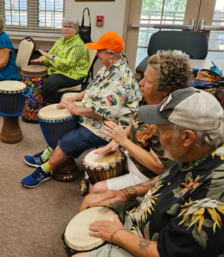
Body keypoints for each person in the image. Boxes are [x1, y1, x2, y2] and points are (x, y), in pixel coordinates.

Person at [73, 87, 224, 257]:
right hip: (147, 214)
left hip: (154, 245)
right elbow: (169, 178)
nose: (155, 131)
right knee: (90, 200)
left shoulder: (213, 197)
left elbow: (168, 253)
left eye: (162, 128)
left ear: (187, 137)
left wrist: (116, 234)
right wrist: (130, 191)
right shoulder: (200, 151)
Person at [21, 32, 142, 188]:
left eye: (99, 50)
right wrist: (73, 99)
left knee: (69, 140)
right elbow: (91, 89)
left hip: (112, 126)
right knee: (63, 126)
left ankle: (45, 170)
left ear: (111, 53)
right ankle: (47, 154)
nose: (96, 53)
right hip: (97, 116)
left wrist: (77, 111)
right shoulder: (107, 68)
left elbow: (105, 111)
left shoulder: (120, 78)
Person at [85, 51, 192, 196]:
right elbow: (137, 122)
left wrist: (124, 141)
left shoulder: (172, 123)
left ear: (166, 89)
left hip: (146, 175)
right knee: (91, 172)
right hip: (133, 157)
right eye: (143, 78)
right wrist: (119, 138)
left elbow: (160, 167)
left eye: (148, 81)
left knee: (97, 189)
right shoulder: (155, 101)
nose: (140, 83)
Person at [31, 16, 88, 104]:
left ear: (76, 29)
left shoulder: (78, 45)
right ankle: (39, 104)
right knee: (38, 78)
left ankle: (53, 108)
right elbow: (50, 55)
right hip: (59, 70)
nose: (66, 29)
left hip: (73, 74)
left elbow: (67, 65)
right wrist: (42, 59)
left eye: (70, 27)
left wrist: (50, 57)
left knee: (50, 84)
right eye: (64, 26)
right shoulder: (60, 41)